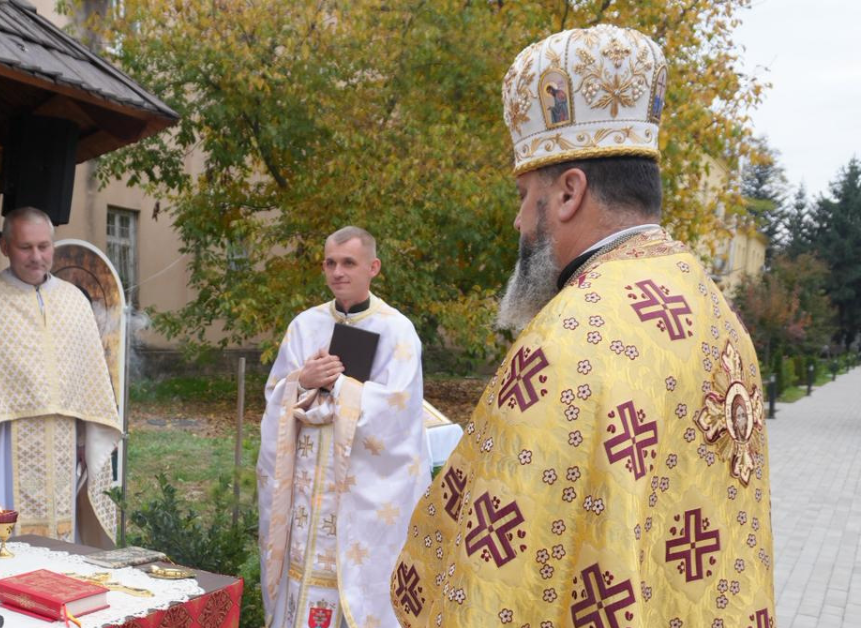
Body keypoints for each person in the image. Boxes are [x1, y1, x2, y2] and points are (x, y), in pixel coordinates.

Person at [391, 25, 775, 628]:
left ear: (569, 192)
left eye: (524, 195)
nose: (520, 220)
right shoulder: (715, 312)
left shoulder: (566, 343)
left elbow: (488, 585)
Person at [258, 226, 431, 628]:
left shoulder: (396, 331)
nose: (338, 272)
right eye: (330, 263)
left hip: (356, 489)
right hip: (306, 488)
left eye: (348, 263)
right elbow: (275, 395)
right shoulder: (304, 325)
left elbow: (399, 411)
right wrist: (303, 379)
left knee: (350, 585)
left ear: (373, 267)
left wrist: (338, 385)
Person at [0, 206, 122, 547]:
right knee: (2, 531)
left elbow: (87, 380)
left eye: (44, 246)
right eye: (25, 247)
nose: (37, 257)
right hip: (1, 439)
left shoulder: (73, 301)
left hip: (62, 441)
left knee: (62, 537)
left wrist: (82, 441)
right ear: (5, 247)